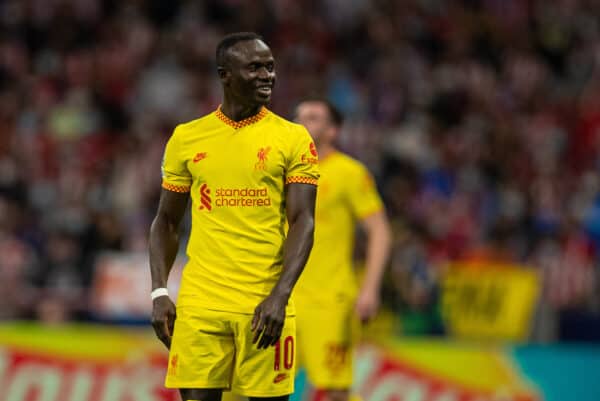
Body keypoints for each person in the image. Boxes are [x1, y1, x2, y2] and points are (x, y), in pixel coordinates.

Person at [148, 32, 319, 401]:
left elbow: (303, 220)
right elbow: (166, 221)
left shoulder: (294, 138)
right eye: (254, 67)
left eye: (270, 68)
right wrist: (160, 291)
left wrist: (281, 295)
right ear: (225, 75)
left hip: (264, 304)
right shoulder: (188, 138)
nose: (267, 76)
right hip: (201, 302)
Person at [293, 98, 391, 401]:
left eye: (313, 117)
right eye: (298, 116)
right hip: (280, 299)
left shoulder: (349, 172)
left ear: (333, 130)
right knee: (260, 385)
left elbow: (379, 230)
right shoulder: (280, 171)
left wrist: (370, 288)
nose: (301, 122)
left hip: (329, 299)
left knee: (334, 390)